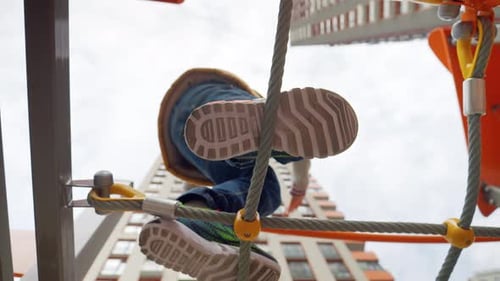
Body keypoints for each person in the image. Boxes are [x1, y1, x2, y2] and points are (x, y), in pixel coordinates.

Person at [138, 68, 358, 281]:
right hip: (211, 95)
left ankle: (195, 225)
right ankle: (258, 145)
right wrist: (300, 184)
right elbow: (307, 143)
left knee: (258, 182)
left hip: (182, 137)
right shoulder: (248, 102)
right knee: (268, 179)